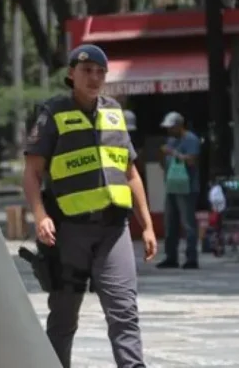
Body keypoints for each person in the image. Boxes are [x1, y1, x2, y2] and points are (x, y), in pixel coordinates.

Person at [22, 44, 157, 368]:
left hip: (114, 229)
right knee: (65, 315)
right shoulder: (53, 112)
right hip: (69, 232)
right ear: (72, 74)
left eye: (100, 72)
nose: (94, 77)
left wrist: (148, 225)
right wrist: (40, 217)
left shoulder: (114, 113)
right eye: (86, 71)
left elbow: (131, 174)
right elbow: (32, 173)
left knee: (124, 311)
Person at [155, 111, 202, 270]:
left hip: (187, 187)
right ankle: (171, 256)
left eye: (171, 127)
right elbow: (164, 163)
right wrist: (162, 156)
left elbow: (192, 160)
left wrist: (173, 153)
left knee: (188, 223)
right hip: (172, 186)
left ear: (179, 126)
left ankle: (191, 257)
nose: (169, 131)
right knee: (170, 222)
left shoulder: (191, 139)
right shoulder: (171, 140)